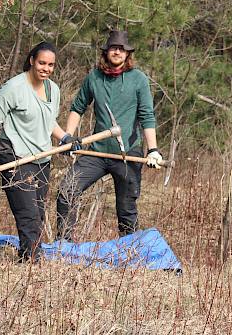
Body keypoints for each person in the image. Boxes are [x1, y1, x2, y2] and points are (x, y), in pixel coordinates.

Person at [54, 30, 162, 242]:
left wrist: (153, 150)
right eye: (113, 48)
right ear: (106, 52)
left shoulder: (138, 79)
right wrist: (67, 136)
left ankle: (128, 252)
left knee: (126, 208)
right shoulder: (94, 77)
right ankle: (63, 246)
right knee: (67, 190)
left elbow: (147, 116)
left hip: (127, 154)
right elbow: (77, 107)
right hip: (96, 152)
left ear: (128, 54)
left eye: (121, 49)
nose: (117, 52)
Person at [0, 41, 71, 263]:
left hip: (41, 159)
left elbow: (49, 122)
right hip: (15, 158)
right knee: (28, 214)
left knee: (38, 215)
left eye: (50, 65)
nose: (46, 69)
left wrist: (66, 138)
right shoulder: (13, 88)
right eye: (41, 63)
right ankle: (33, 263)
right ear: (31, 60)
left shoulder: (53, 89)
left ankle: (25, 257)